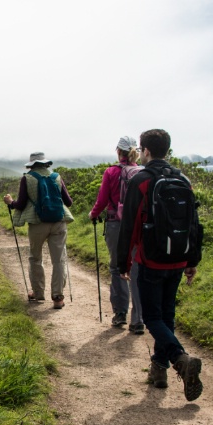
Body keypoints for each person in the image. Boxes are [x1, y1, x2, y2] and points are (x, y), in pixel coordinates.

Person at [115, 129, 203, 401]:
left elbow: (128, 225)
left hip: (151, 259)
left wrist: (123, 262)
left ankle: (179, 359)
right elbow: (194, 224)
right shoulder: (183, 179)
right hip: (177, 258)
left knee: (153, 317)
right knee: (167, 316)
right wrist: (192, 260)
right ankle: (159, 369)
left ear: (146, 151)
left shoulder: (141, 180)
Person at [4, 152, 75, 309]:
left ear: (32, 165)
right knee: (59, 259)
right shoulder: (56, 177)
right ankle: (58, 297)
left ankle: (38, 293)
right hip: (59, 222)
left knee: (35, 258)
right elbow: (68, 202)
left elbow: (21, 204)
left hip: (37, 223)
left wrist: (10, 202)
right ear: (45, 164)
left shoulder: (27, 178)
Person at [88, 136, 144, 333]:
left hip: (116, 225)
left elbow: (102, 199)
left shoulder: (111, 172)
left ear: (117, 151)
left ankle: (120, 313)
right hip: (139, 227)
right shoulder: (142, 173)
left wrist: (93, 214)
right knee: (137, 268)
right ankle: (138, 319)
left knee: (117, 267)